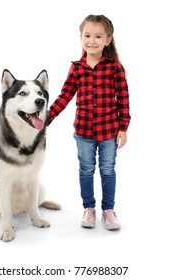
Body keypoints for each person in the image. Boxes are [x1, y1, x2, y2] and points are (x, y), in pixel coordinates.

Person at [47, 15, 131, 230]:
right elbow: (64, 96)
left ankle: (108, 210)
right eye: (87, 35)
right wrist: (47, 117)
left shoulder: (115, 68)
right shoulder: (77, 68)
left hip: (109, 132)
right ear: (81, 37)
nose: (91, 41)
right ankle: (89, 209)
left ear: (108, 39)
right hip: (83, 132)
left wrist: (123, 128)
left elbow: (123, 99)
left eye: (98, 36)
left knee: (108, 170)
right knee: (85, 170)